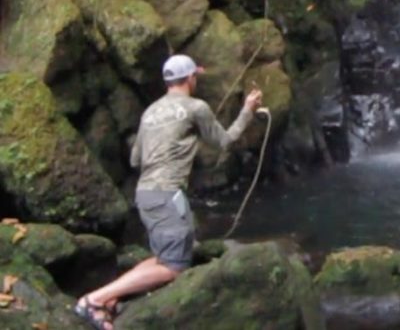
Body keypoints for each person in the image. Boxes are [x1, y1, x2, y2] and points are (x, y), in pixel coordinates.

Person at [74, 54, 263, 330]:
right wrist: (248, 110)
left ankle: (111, 297)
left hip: (147, 194)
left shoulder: (149, 112)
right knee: (174, 267)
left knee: (165, 258)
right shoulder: (196, 107)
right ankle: (94, 300)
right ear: (190, 79)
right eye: (195, 76)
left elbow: (135, 160)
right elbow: (225, 141)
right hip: (167, 195)